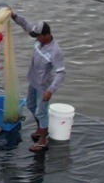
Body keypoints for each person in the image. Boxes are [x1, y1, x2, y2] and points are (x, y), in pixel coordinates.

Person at [10, 10, 66, 151]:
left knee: (41, 112)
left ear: (46, 35)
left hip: (44, 86)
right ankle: (41, 129)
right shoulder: (38, 39)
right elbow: (26, 25)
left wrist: (50, 90)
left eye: (39, 36)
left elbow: (61, 73)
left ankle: (42, 140)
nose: (36, 38)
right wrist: (14, 16)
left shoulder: (55, 51)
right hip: (33, 81)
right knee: (31, 106)